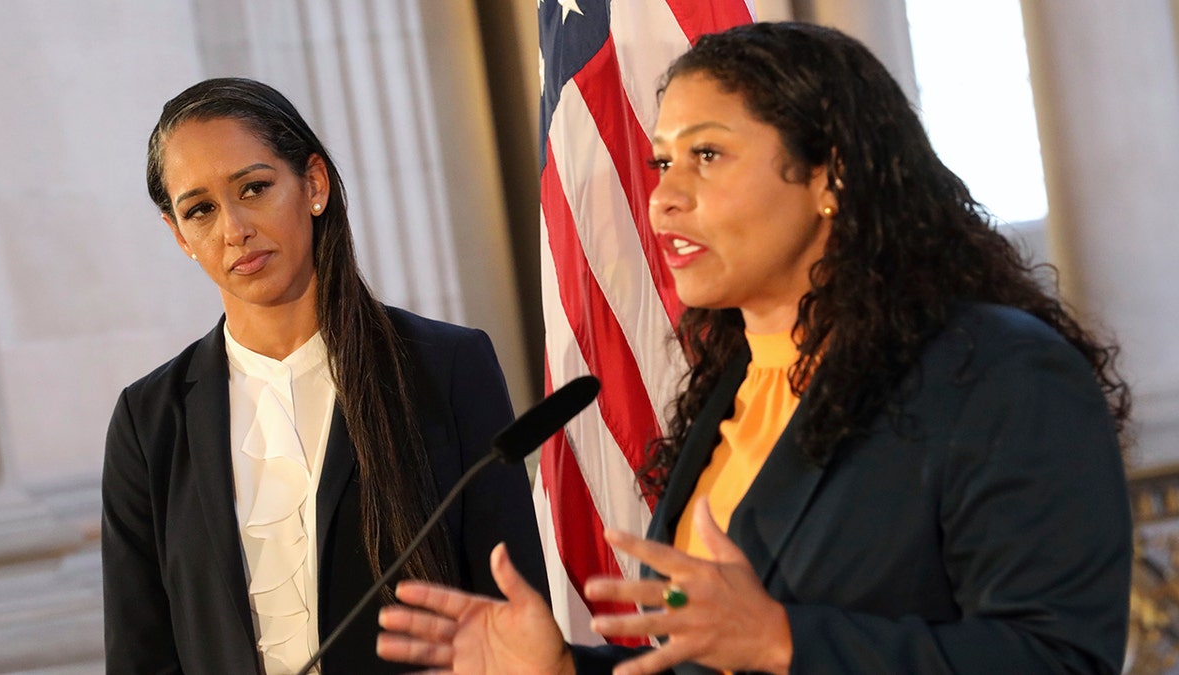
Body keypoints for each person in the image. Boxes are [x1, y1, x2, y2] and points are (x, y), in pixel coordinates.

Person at [374, 21, 1133, 675]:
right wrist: (566, 667)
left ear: (829, 172)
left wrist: (783, 640)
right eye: (662, 162)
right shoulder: (729, 389)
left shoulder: (997, 372)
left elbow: (1056, 657)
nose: (665, 196)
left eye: (708, 155)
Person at [101, 77, 549, 674]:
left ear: (314, 184)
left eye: (254, 188)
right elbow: (140, 656)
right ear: (179, 235)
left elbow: (511, 612)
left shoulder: (445, 366)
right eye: (200, 210)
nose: (233, 229)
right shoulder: (148, 420)